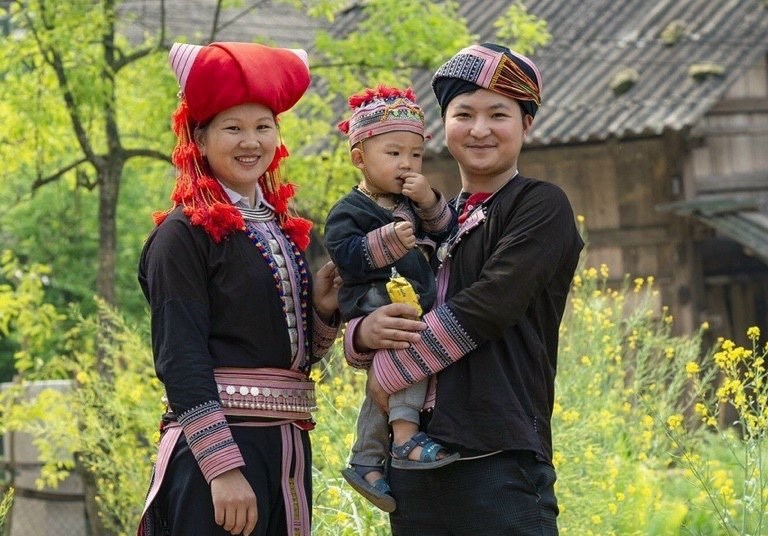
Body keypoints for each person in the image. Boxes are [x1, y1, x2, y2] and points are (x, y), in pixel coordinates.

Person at [343, 43, 584, 535]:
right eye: (464, 114)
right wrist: (363, 334)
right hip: (412, 461)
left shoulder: (539, 205)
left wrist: (391, 369)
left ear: (526, 125)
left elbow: (491, 304)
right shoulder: (425, 217)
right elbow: (369, 288)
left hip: (499, 455)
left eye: (498, 114)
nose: (479, 129)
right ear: (445, 125)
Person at [136, 41, 341, 536]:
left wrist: (321, 312)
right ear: (200, 140)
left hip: (285, 446)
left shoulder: (278, 227)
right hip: (222, 452)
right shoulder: (182, 235)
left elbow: (286, 351)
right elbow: (180, 355)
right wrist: (222, 467)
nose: (251, 142)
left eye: (263, 127)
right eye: (233, 128)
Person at [324, 85, 458, 512]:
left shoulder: (411, 202)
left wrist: (430, 200)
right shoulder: (349, 210)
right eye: (394, 153)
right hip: (375, 302)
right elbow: (345, 257)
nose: (407, 164)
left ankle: (365, 460)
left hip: (412, 299)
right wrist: (387, 241)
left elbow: (445, 232)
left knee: (382, 385)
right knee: (407, 360)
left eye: (416, 155)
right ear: (359, 157)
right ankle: (404, 437)